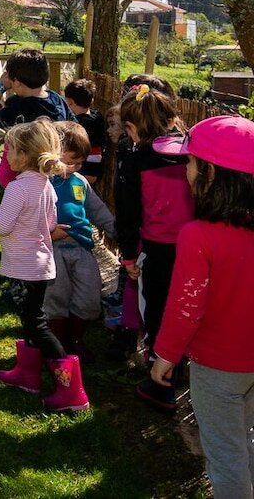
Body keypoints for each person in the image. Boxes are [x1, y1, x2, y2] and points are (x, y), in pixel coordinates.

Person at [149, 115, 254, 498]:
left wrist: (165, 355)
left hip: (217, 367)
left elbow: (185, 307)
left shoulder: (198, 236)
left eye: (189, 162)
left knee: (225, 454)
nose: (185, 171)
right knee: (246, 439)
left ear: (211, 173)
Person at [0, 119, 89, 412]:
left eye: (10, 150)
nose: (6, 155)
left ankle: (72, 392)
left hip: (23, 267)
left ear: (24, 156)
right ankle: (28, 374)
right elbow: (48, 225)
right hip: (41, 266)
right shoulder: (46, 186)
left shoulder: (17, 189)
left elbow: (4, 226)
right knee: (31, 318)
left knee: (36, 323)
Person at [114, 84, 193, 410]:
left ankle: (160, 384)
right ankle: (183, 367)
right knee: (189, 308)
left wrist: (129, 256)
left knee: (157, 314)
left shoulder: (135, 159)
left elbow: (128, 213)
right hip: (196, 247)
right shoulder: (191, 153)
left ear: (133, 127)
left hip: (157, 250)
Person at [44, 121, 116, 361]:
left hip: (82, 247)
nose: (74, 167)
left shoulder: (80, 182)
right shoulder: (42, 182)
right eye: (69, 161)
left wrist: (117, 230)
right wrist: (47, 234)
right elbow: (28, 218)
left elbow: (97, 210)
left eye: (79, 162)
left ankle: (76, 338)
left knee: (89, 296)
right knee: (56, 296)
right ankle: (61, 343)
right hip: (52, 249)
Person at [0, 48, 76, 188]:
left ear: (18, 83)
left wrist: (0, 88)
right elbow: (74, 126)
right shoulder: (56, 98)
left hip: (25, 177)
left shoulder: (20, 107)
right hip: (54, 170)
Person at [63, 79, 105, 184]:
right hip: (89, 170)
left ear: (70, 102)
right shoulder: (97, 117)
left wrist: (91, 174)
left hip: (85, 173)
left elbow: (95, 150)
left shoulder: (83, 124)